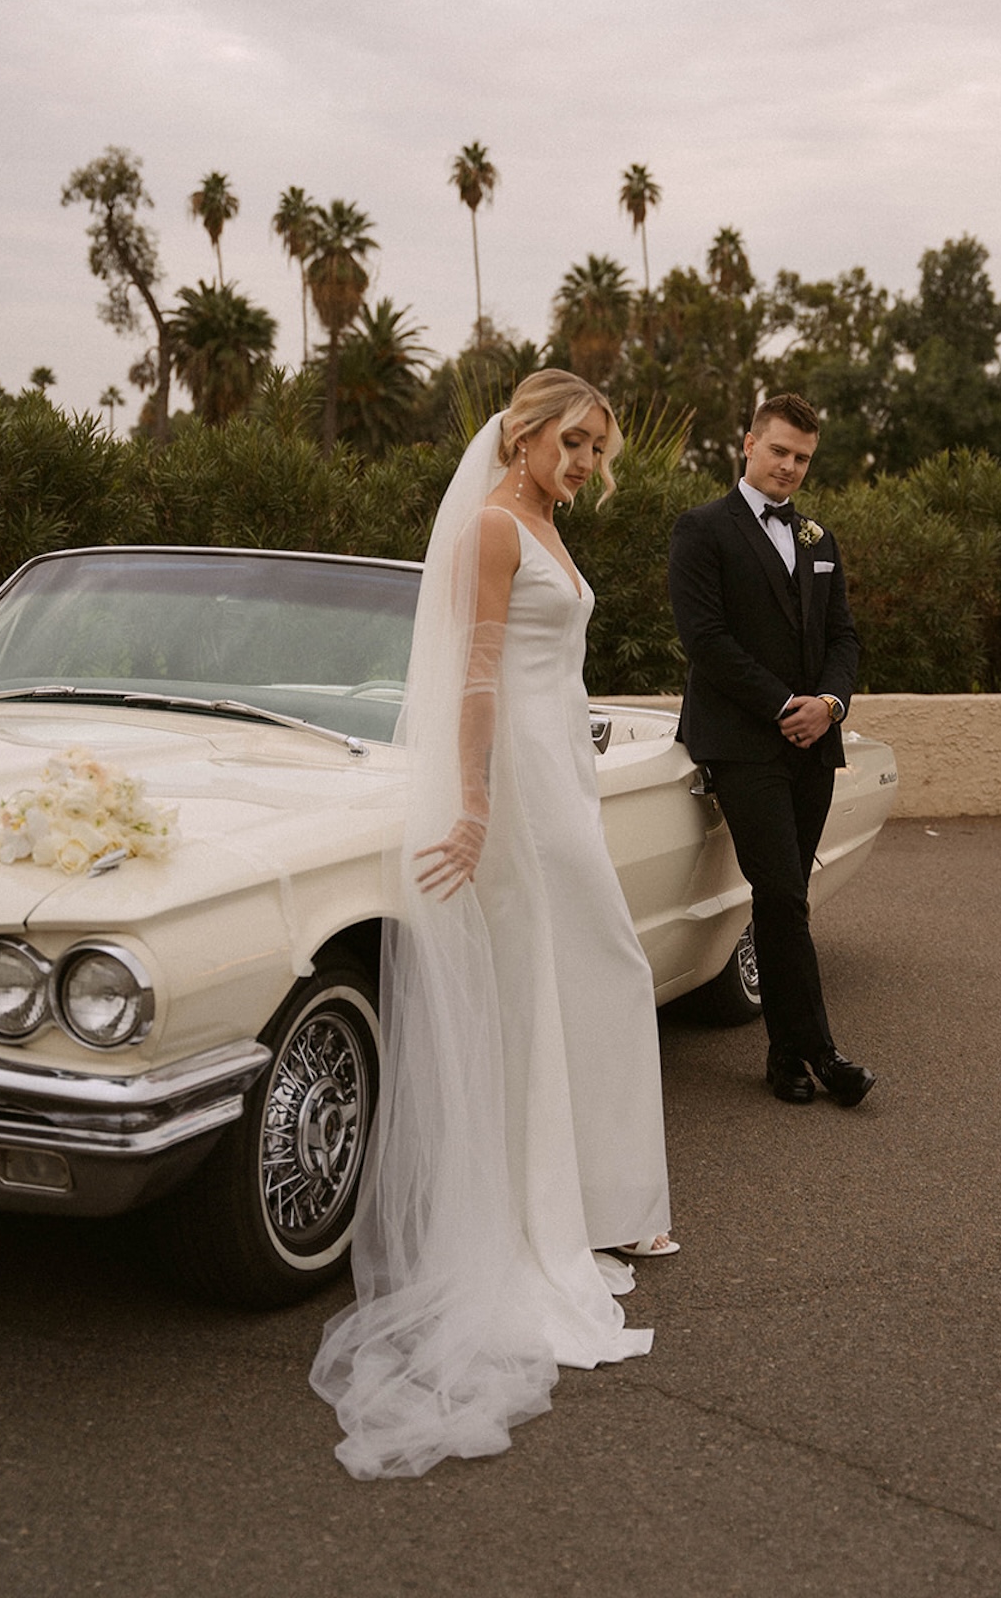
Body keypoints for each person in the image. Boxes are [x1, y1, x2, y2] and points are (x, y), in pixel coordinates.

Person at [310, 370, 675, 1479]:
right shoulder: (487, 526)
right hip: (511, 782)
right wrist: (469, 809)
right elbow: (471, 679)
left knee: (584, 973)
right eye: (571, 443)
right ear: (520, 436)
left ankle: (604, 1202)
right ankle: (556, 1215)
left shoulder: (546, 526)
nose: (584, 464)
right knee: (585, 967)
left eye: (595, 449)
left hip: (561, 766)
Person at [667, 391, 875, 1108]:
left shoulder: (820, 539)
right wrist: (782, 704)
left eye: (803, 458)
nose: (790, 466)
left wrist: (829, 705)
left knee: (786, 901)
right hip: (741, 740)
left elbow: (844, 637)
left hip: (813, 743)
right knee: (782, 893)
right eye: (780, 450)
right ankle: (821, 1054)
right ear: (748, 443)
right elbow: (705, 640)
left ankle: (785, 1058)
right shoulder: (701, 530)